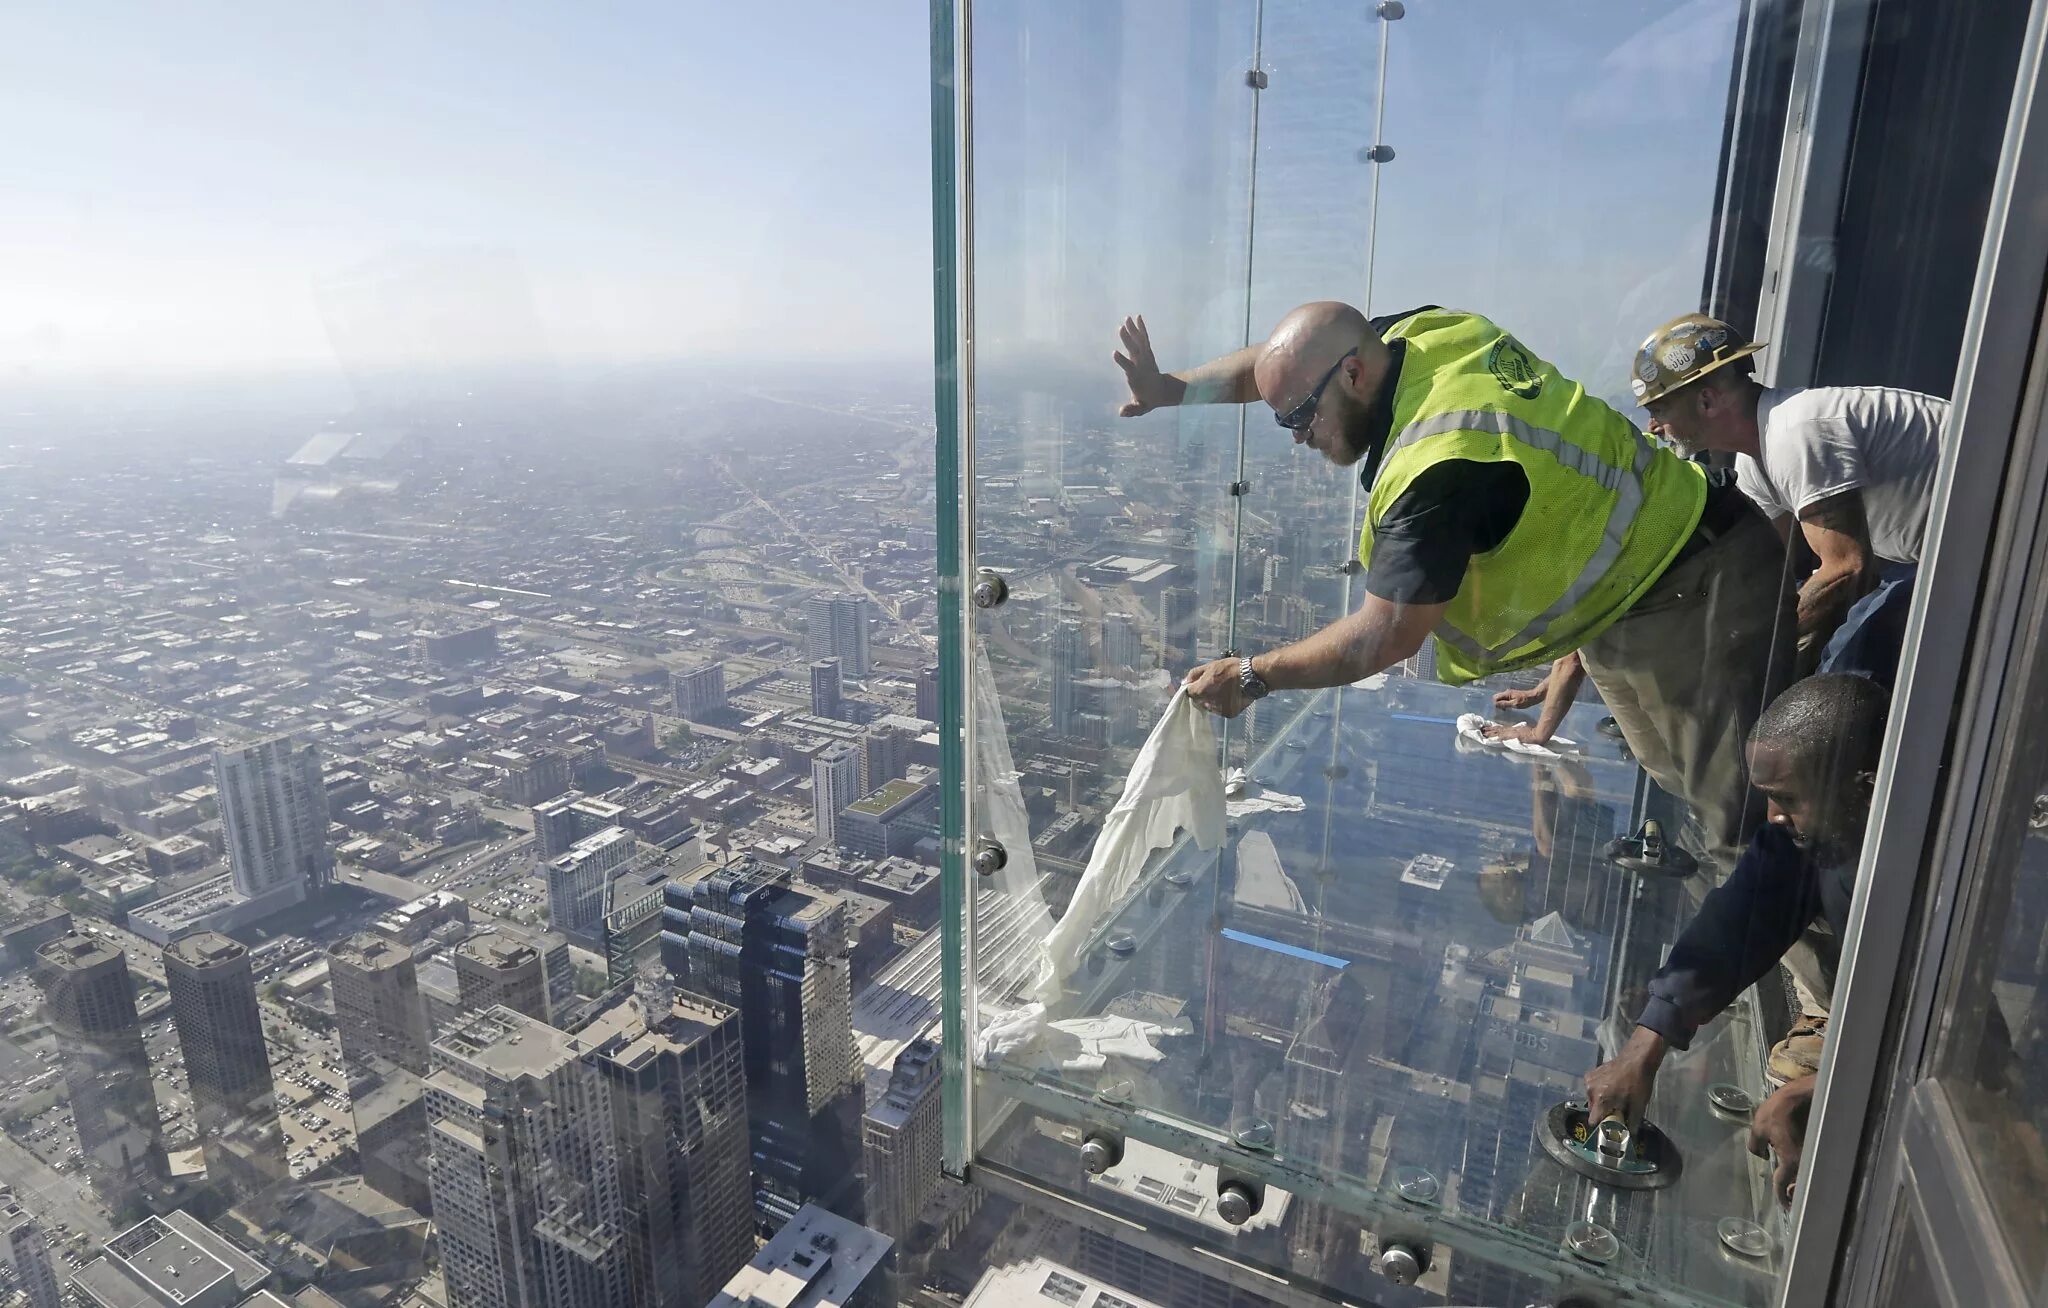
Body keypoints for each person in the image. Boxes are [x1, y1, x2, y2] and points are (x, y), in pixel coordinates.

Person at [1116, 302, 1794, 872]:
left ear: (1352, 374)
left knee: (1750, 827)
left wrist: (1254, 676)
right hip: (1637, 594)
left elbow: (1382, 638)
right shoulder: (1421, 336)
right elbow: (1279, 359)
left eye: (1298, 419)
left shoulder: (1436, 468)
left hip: (1694, 595)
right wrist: (1172, 390)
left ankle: (1829, 998)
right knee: (1698, 792)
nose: (1296, 439)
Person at [1583, 674, 1889, 1205]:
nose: (1772, 817)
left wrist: (1831, 1083)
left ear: (1863, 783)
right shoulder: (1828, 827)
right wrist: (1645, 1044)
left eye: (1786, 798)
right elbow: (1749, 908)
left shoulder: (1941, 874)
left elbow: (1950, 1036)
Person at [1634, 313, 1947, 683]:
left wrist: (1745, 649)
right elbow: (1759, 576)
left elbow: (1847, 570)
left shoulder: (1797, 433)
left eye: (1659, 409)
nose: (1652, 427)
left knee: (1844, 676)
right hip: (1930, 560)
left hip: (1978, 551)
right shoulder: (1759, 458)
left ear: (1706, 400)